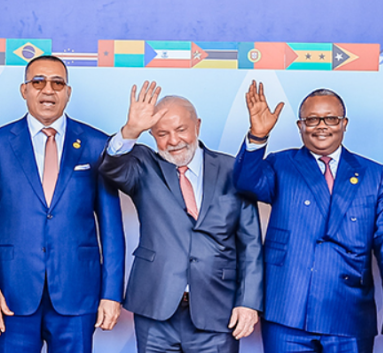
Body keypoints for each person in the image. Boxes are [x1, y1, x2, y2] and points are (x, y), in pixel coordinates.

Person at [234, 82, 383, 353]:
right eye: (312, 119)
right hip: (287, 311)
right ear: (300, 126)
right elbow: (246, 182)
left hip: (349, 312)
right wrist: (258, 137)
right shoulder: (281, 164)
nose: (322, 126)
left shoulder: (374, 175)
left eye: (330, 118)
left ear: (344, 123)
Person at [0, 55, 125, 353]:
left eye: (57, 83)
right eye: (38, 82)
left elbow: (111, 228)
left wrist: (112, 293)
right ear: (24, 90)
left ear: (68, 92)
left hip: (78, 293)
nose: (47, 90)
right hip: (11, 295)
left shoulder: (95, 143)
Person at [99, 81, 263, 353]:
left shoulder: (233, 169)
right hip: (155, 309)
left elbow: (251, 245)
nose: (173, 141)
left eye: (181, 130)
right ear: (151, 134)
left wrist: (248, 302)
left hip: (217, 310)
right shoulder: (142, 165)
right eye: (162, 133)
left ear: (197, 125)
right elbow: (110, 167)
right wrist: (130, 131)